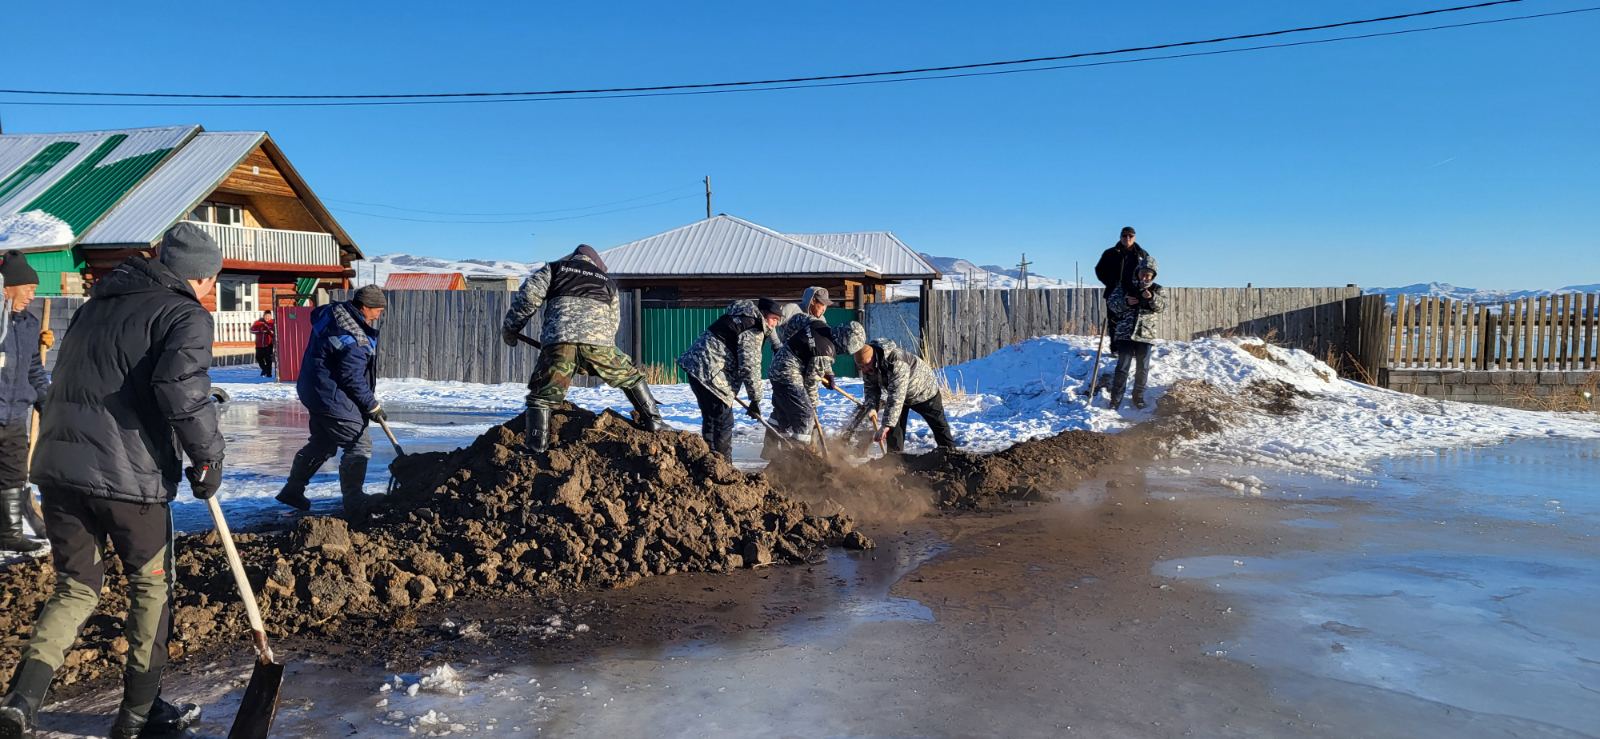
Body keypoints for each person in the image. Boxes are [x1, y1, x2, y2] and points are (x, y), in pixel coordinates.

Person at [1, 223, 223, 737]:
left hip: (58, 470)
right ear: (203, 277)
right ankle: (137, 719)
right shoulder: (184, 313)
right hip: (129, 479)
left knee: (76, 587)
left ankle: (19, 702)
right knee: (151, 590)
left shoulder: (95, 305)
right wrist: (208, 458)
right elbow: (179, 390)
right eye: (213, 281)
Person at [502, 245, 664, 452]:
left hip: (560, 343)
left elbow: (528, 298)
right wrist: (592, 355)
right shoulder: (607, 282)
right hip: (599, 344)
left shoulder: (554, 269)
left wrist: (511, 328)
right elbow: (613, 323)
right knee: (631, 377)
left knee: (542, 397)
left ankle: (536, 449)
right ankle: (654, 421)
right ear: (596, 263)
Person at [275, 285, 386, 516]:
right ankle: (354, 500)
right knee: (358, 443)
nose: (379, 314)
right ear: (365, 307)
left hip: (313, 388)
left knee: (323, 442)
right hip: (329, 394)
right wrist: (372, 406)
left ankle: (293, 489)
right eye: (378, 309)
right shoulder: (354, 338)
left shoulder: (335, 314)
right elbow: (352, 378)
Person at [677, 298, 784, 458]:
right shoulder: (753, 328)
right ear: (764, 314)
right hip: (711, 373)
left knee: (712, 419)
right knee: (723, 422)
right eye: (773, 319)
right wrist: (755, 399)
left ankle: (709, 462)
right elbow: (750, 366)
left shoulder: (740, 317)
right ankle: (724, 467)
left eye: (778, 320)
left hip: (696, 367)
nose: (775, 324)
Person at [837, 322, 956, 454]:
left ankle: (951, 455)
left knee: (938, 425)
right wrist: (872, 408)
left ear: (873, 358)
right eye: (861, 367)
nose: (865, 370)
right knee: (894, 430)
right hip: (901, 395)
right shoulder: (868, 368)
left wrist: (885, 425)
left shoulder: (896, 361)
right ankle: (895, 460)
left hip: (924, 390)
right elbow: (871, 390)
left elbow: (896, 396)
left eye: (866, 365)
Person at [0, 251, 49, 554]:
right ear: (7, 287)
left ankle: (10, 534)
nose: (33, 295)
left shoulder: (29, 325)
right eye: (28, 288)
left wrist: (47, 400)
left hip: (15, 415)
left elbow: (34, 369)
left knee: (13, 474)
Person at [767, 305, 837, 449]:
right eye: (821, 304)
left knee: (783, 410)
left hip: (783, 370)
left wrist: (828, 371)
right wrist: (813, 407)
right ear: (813, 302)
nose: (823, 308)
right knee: (805, 413)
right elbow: (811, 384)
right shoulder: (797, 311)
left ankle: (772, 450)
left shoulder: (819, 323)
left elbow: (819, 355)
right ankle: (799, 458)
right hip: (789, 372)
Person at [1106, 259, 1165, 410]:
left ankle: (1138, 397)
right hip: (1125, 334)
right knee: (1122, 367)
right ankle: (1115, 399)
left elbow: (1162, 307)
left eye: (1149, 275)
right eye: (1143, 273)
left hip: (1146, 334)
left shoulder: (1157, 289)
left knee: (1142, 368)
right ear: (1138, 273)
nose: (1145, 277)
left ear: (1153, 276)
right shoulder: (1124, 286)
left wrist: (1151, 298)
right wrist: (1125, 302)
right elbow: (1112, 304)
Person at [1094, 227, 1151, 300]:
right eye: (1124, 235)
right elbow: (1099, 270)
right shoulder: (1109, 253)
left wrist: (1144, 285)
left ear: (1134, 238)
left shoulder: (1143, 254)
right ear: (1120, 237)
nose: (1127, 238)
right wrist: (1112, 284)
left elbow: (1150, 271)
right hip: (1114, 296)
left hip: (1136, 294)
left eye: (1130, 236)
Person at [249, 308, 275, 377]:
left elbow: (274, 333)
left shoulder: (273, 323)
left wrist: (268, 330)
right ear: (263, 316)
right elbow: (251, 330)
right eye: (266, 316)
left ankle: (269, 374)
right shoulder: (258, 322)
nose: (267, 317)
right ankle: (264, 369)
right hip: (259, 344)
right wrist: (260, 331)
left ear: (271, 316)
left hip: (268, 344)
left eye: (269, 316)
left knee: (268, 359)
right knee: (259, 358)